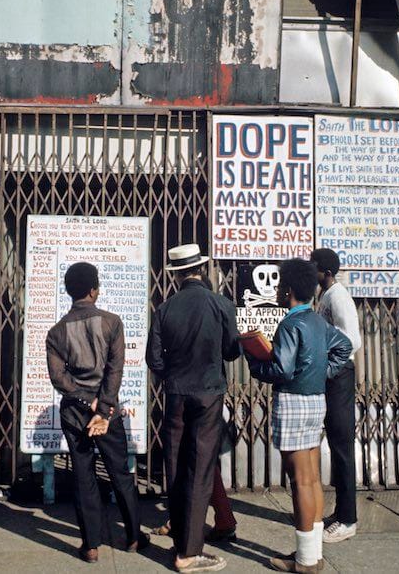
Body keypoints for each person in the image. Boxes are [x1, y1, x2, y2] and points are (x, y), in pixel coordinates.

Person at [247, 259, 352, 573]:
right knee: (313, 478)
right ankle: (311, 553)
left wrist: (254, 362)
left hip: (292, 402)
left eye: (280, 286)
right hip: (316, 400)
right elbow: (344, 347)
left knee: (299, 482)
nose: (278, 291)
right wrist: (321, 372)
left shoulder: (291, 325)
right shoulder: (318, 322)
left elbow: (282, 368)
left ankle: (306, 561)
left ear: (289, 290)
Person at [45, 262, 149, 563]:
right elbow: (115, 371)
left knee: (83, 476)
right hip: (108, 415)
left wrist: (85, 401)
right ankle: (132, 537)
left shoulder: (56, 333)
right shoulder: (112, 323)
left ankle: (90, 546)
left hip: (75, 415)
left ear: (69, 292)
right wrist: (102, 409)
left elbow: (59, 378)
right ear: (94, 290)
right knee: (120, 474)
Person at [147, 244, 242, 573]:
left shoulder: (165, 309)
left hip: (175, 395)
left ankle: (180, 540)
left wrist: (174, 375)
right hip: (208, 395)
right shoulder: (221, 304)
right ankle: (188, 553)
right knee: (201, 469)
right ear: (202, 269)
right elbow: (232, 351)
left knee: (174, 465)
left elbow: (154, 359)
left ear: (176, 275)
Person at [310, 248, 362, 544]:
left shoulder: (338, 296)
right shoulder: (328, 295)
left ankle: (348, 520)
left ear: (326, 271)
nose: (312, 272)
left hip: (340, 375)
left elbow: (352, 339)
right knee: (336, 441)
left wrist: (330, 367)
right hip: (334, 375)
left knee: (342, 446)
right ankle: (341, 511)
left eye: (314, 267)